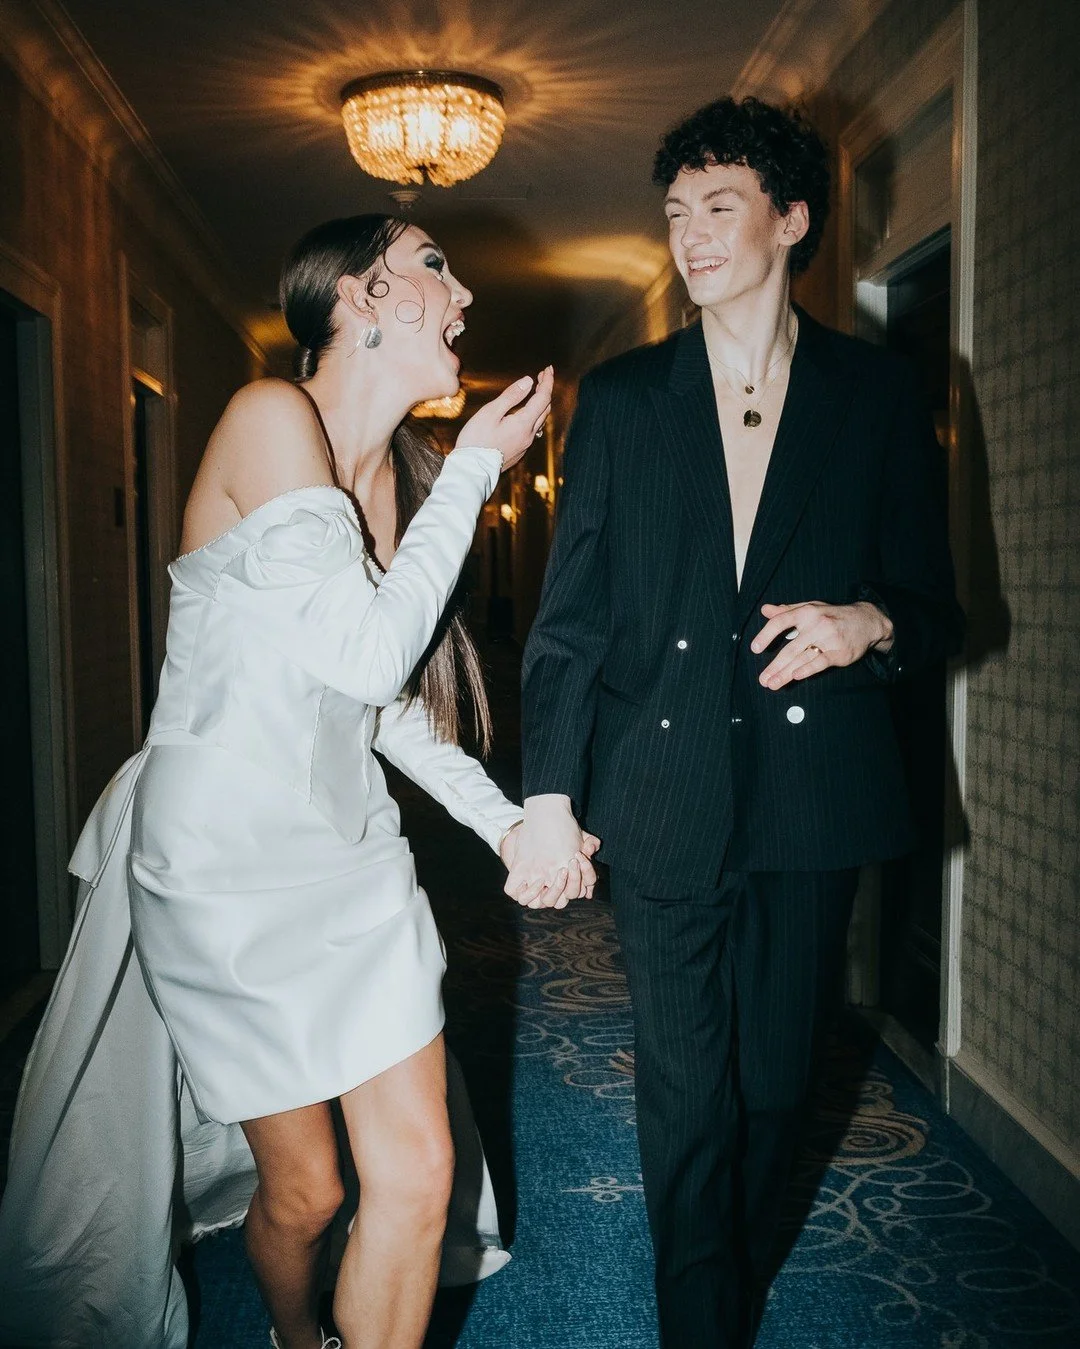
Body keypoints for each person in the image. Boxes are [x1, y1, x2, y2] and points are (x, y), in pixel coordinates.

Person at [0, 213, 596, 1349]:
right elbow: (373, 652)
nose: (463, 294)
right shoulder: (270, 418)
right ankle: (297, 1333)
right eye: (435, 267)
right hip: (225, 862)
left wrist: (507, 821)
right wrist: (474, 466)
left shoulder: (385, 488)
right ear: (362, 297)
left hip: (352, 855)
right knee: (309, 1192)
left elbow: (379, 710)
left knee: (418, 1171)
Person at [510, 97, 964, 1347]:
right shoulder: (626, 396)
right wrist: (550, 789)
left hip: (813, 800)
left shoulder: (876, 396)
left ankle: (733, 1265)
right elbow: (571, 617)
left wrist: (868, 621)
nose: (692, 235)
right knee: (683, 1090)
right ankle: (699, 1322)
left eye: (721, 206)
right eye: (676, 212)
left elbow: (935, 601)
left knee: (772, 1088)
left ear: (792, 217)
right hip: (658, 797)